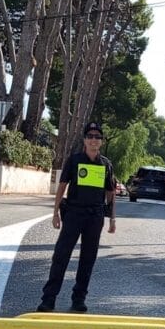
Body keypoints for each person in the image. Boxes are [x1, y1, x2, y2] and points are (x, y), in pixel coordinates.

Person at [38, 122, 117, 313]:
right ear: (84, 140)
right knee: (61, 256)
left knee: (88, 259)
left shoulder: (106, 164)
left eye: (97, 137)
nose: (93, 140)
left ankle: (79, 299)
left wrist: (112, 218)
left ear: (101, 141)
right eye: (90, 136)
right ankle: (49, 299)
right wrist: (55, 213)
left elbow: (111, 193)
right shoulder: (74, 160)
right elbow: (62, 187)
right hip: (73, 213)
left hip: (95, 216)